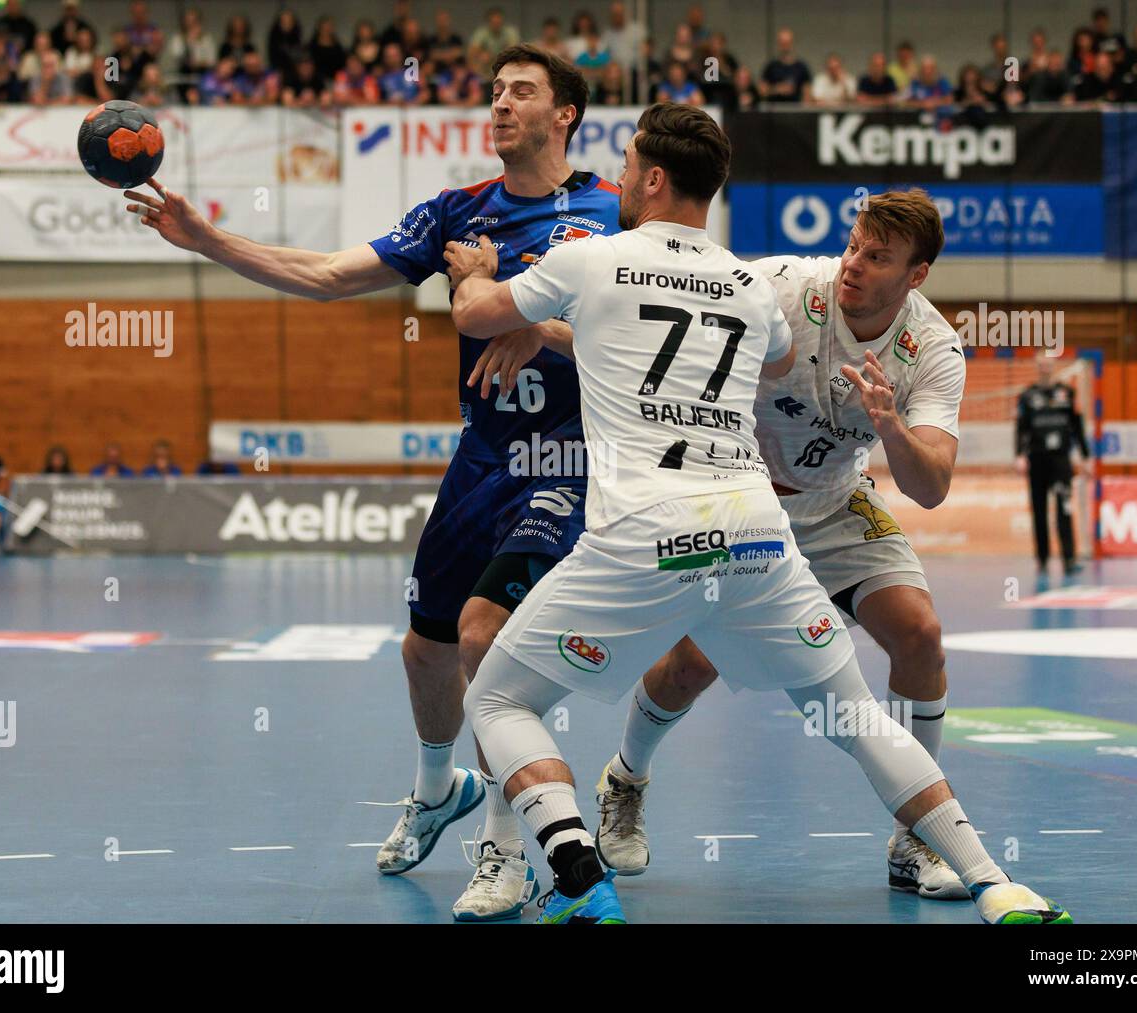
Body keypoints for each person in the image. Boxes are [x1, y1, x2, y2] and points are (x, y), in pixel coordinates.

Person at [450, 106, 1071, 927]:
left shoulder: (589, 256)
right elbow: (775, 355)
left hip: (669, 526)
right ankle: (998, 884)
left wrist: (471, 270)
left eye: (629, 164)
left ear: (655, 179)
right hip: (755, 529)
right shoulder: (755, 280)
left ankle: (576, 880)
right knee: (849, 713)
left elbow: (476, 314)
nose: (620, 178)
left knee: (498, 698)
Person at [123, 44, 620, 923]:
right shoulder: (460, 214)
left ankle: (507, 852)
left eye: (522, 93)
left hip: (571, 463)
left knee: (485, 638)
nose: (500, 104)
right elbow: (325, 277)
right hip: (483, 460)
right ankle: (439, 790)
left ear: (565, 115)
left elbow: (649, 348)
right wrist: (208, 241)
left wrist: (530, 317)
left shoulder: (615, 215)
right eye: (494, 92)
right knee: (425, 648)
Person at [1016, 358, 1090, 576]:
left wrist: (1085, 457)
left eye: (1048, 364)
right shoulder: (1028, 396)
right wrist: (1019, 455)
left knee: (1064, 508)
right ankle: (1042, 558)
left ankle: (1069, 558)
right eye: (1041, 365)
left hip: (1060, 462)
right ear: (1037, 368)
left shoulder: (1066, 393)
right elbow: (1021, 428)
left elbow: (1077, 427)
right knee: (1039, 510)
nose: (1045, 368)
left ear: (1054, 367)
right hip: (1037, 460)